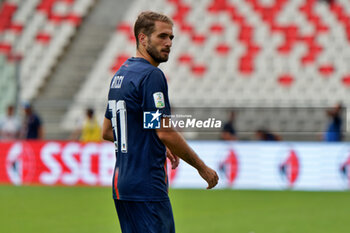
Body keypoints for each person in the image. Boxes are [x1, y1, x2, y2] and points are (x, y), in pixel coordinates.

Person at [102, 11, 218, 233]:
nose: (168, 43)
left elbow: (108, 131)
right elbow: (165, 131)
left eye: (171, 38)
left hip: (122, 186)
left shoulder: (121, 75)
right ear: (142, 38)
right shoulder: (151, 76)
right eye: (162, 36)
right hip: (147, 186)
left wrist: (154, 143)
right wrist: (201, 168)